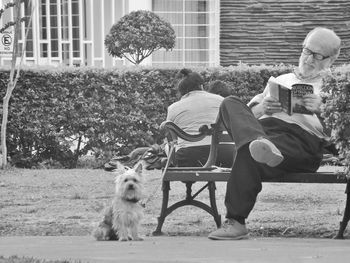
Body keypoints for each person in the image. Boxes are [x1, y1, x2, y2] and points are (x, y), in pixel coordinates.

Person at [208, 27, 341, 240]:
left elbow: (341, 139)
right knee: (230, 103)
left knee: (248, 150)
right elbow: (247, 115)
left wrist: (322, 110)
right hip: (265, 132)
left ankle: (236, 222)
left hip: (301, 141)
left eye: (317, 56)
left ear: (331, 60)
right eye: (307, 51)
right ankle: (260, 143)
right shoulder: (282, 79)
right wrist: (262, 109)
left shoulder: (334, 88)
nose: (309, 59)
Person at [165, 68, 234, 167]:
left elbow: (174, 139)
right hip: (226, 154)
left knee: (168, 146)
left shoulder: (173, 108)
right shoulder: (222, 100)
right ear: (201, 86)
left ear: (181, 91)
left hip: (190, 158)